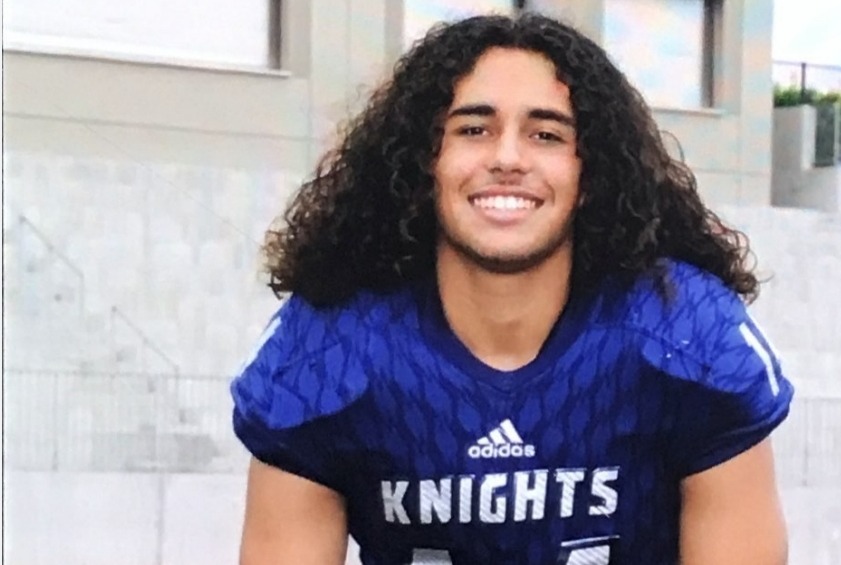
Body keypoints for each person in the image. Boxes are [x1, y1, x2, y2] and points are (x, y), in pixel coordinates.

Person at [231, 12, 793, 565]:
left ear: (591, 172)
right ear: (422, 162)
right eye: (473, 129)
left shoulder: (683, 330)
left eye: (546, 135)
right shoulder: (328, 348)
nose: (507, 158)